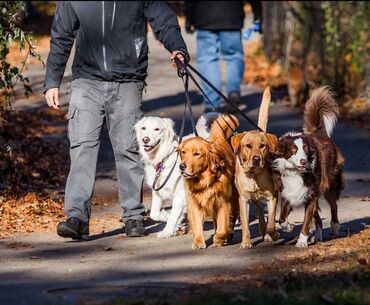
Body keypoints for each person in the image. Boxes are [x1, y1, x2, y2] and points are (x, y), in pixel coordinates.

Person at [44, 1, 188, 239]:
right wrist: (52, 80)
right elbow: (61, 35)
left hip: (128, 79)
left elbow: (163, 20)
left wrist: (178, 49)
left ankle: (133, 215)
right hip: (86, 81)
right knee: (82, 147)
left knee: (129, 148)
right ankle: (77, 217)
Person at [185, 1, 262, 113]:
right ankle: (233, 91)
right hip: (232, 15)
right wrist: (258, 15)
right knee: (234, 56)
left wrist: (189, 17)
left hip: (205, 16)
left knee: (207, 59)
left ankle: (212, 102)